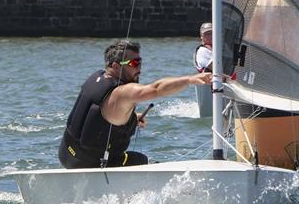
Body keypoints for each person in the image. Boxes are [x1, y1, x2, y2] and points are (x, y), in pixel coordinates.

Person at [59, 38, 212, 169]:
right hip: (91, 165)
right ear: (116, 66)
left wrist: (132, 118)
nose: (139, 67)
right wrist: (189, 80)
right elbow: (155, 89)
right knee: (139, 160)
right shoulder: (122, 92)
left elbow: (98, 118)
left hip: (67, 155)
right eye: (134, 63)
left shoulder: (97, 78)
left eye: (140, 62)